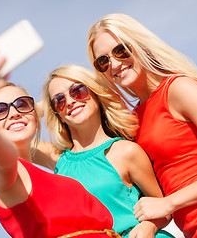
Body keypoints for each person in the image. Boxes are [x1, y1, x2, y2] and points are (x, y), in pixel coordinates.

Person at [87, 13, 197, 237]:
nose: (114, 63)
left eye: (120, 50)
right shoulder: (133, 119)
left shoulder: (178, 89)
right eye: (103, 61)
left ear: (139, 45)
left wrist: (169, 203)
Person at [0, 46, 124, 238]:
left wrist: (47, 108)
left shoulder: (51, 168)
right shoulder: (3, 170)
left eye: (22, 104)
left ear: (35, 113)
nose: (14, 113)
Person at [34, 64, 174, 238]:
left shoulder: (126, 151)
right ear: (57, 114)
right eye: (59, 100)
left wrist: (149, 226)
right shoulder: (59, 159)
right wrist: (43, 106)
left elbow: (164, 207)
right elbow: (4, 139)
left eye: (77, 90)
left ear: (95, 93)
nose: (70, 101)